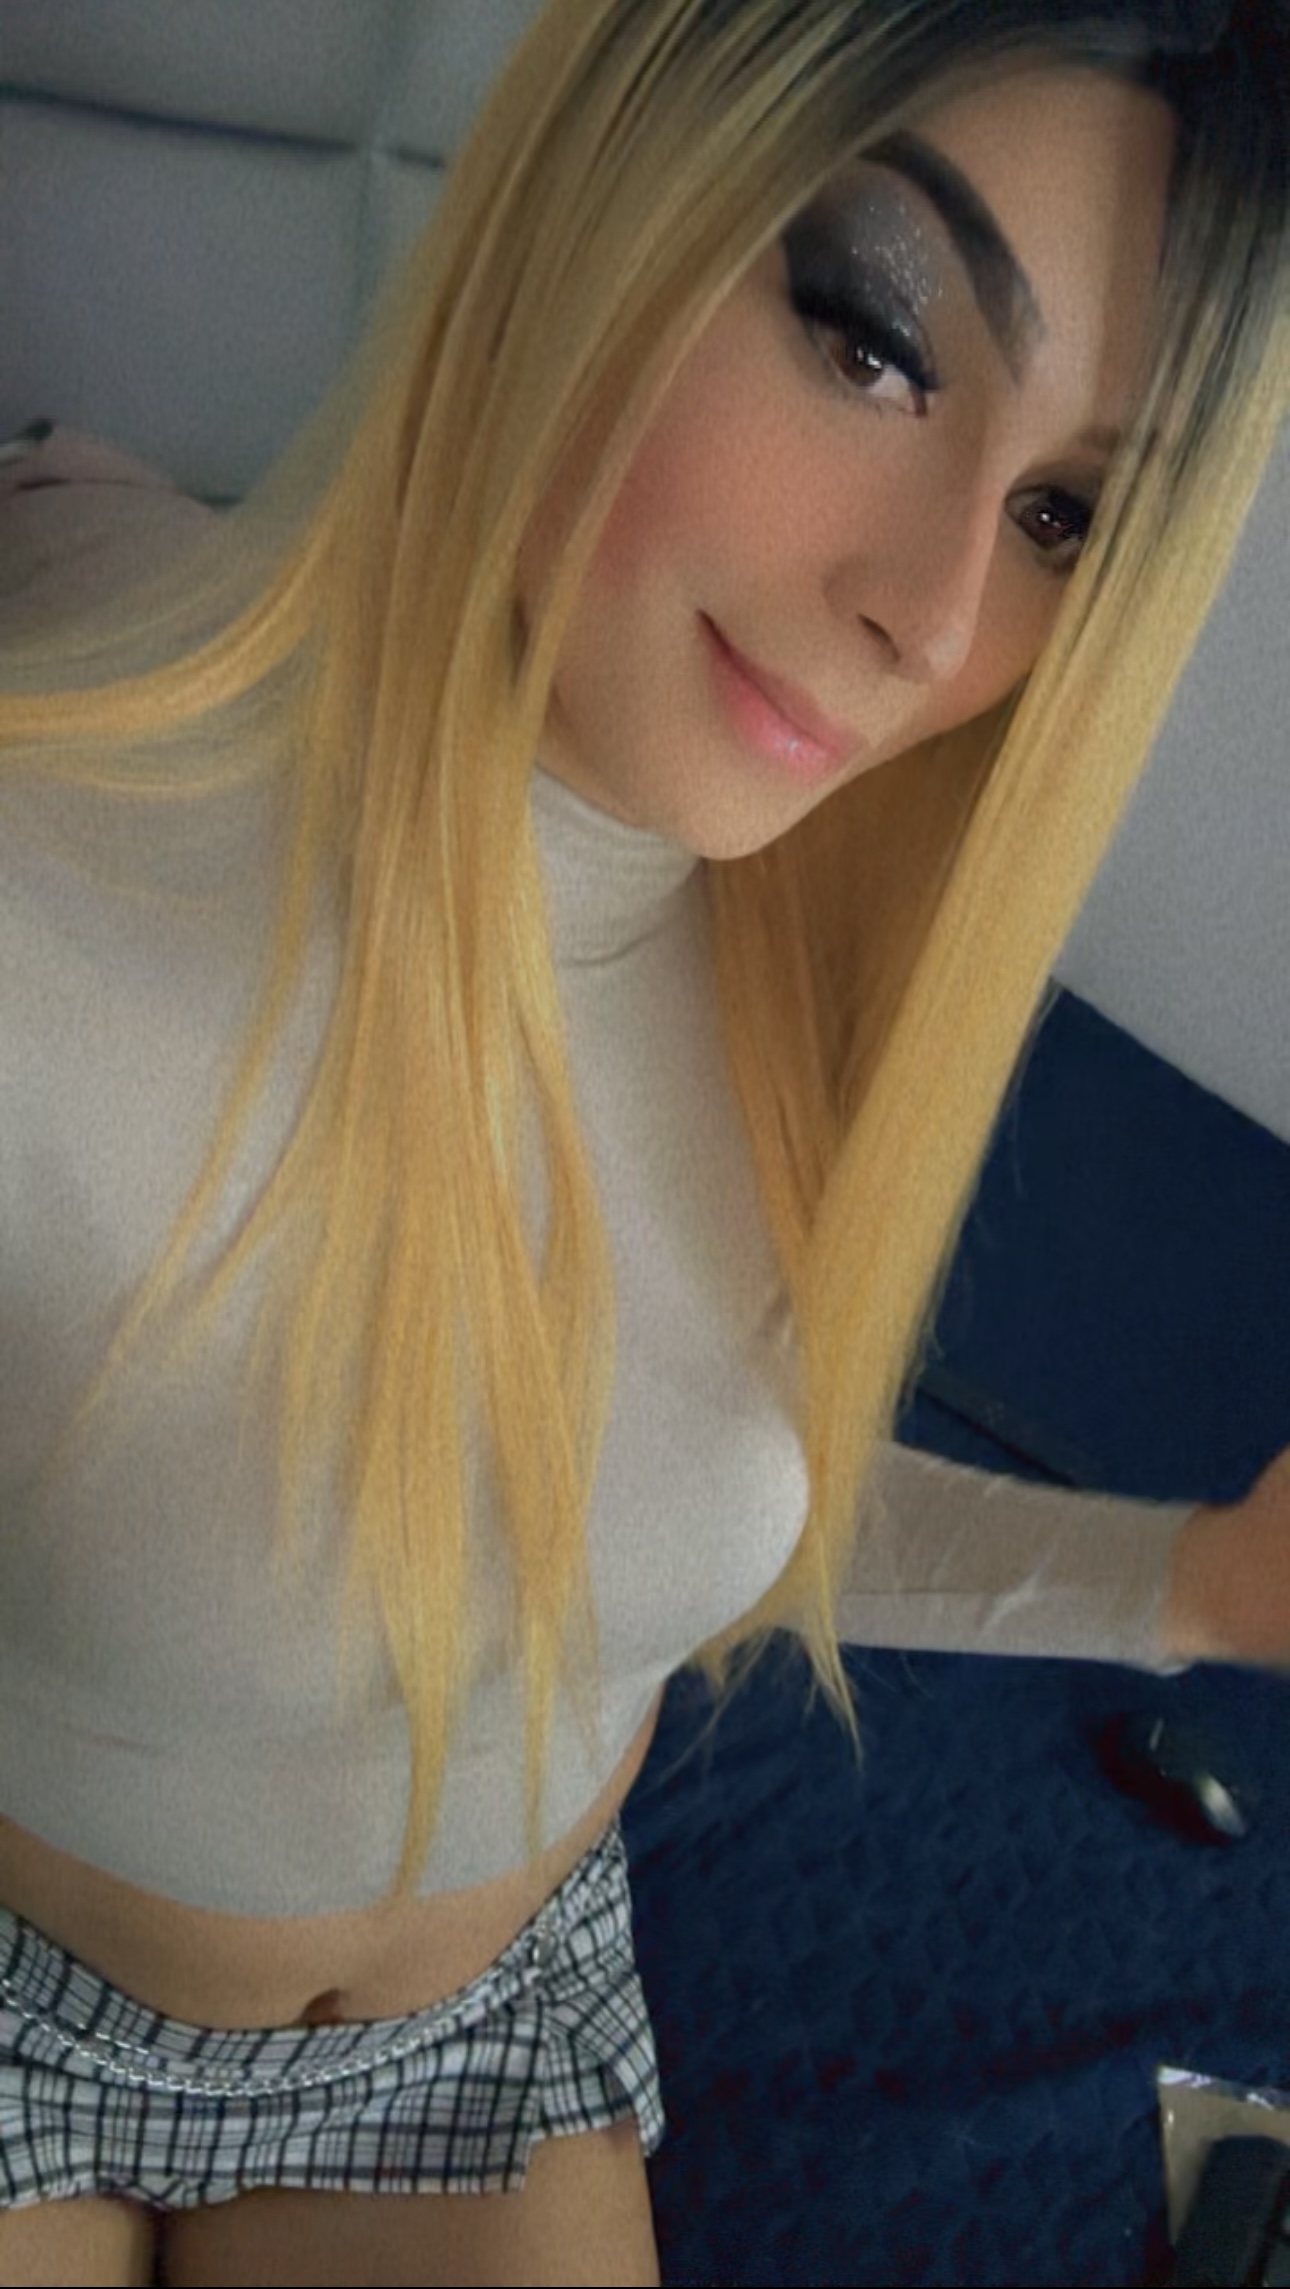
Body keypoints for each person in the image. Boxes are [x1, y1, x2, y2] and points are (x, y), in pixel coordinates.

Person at [0, 1, 1286, 2282]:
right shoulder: (46, 919)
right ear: (616, 180)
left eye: (1064, 515)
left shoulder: (805, 970)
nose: (935, 620)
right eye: (873, 338)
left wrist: (1185, 1582)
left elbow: (626, 1495)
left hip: (488, 2031)